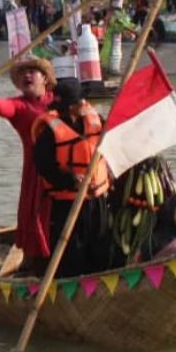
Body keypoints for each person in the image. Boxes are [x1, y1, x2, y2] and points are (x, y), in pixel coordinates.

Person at [0, 58, 57, 269]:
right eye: (23, 73)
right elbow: (2, 106)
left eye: (32, 71)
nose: (27, 75)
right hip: (36, 174)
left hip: (64, 171)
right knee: (35, 219)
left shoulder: (59, 100)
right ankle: (34, 262)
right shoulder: (18, 106)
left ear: (44, 78)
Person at [30, 79, 113, 276]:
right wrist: (69, 180)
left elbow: (110, 146)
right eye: (80, 103)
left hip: (97, 199)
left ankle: (100, 284)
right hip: (67, 203)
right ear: (70, 106)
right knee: (72, 253)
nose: (84, 105)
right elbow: (43, 165)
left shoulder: (96, 121)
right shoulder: (50, 131)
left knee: (101, 248)